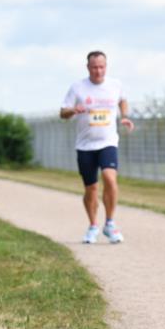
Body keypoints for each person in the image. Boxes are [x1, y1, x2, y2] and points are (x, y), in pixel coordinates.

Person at [60, 51, 134, 244]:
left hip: (108, 142)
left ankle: (109, 223)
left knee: (110, 178)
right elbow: (63, 112)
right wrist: (73, 110)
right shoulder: (77, 87)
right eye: (94, 67)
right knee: (91, 188)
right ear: (88, 67)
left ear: (106, 67)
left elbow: (122, 100)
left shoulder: (115, 85)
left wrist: (124, 116)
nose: (98, 71)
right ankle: (93, 225)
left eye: (101, 67)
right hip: (85, 145)